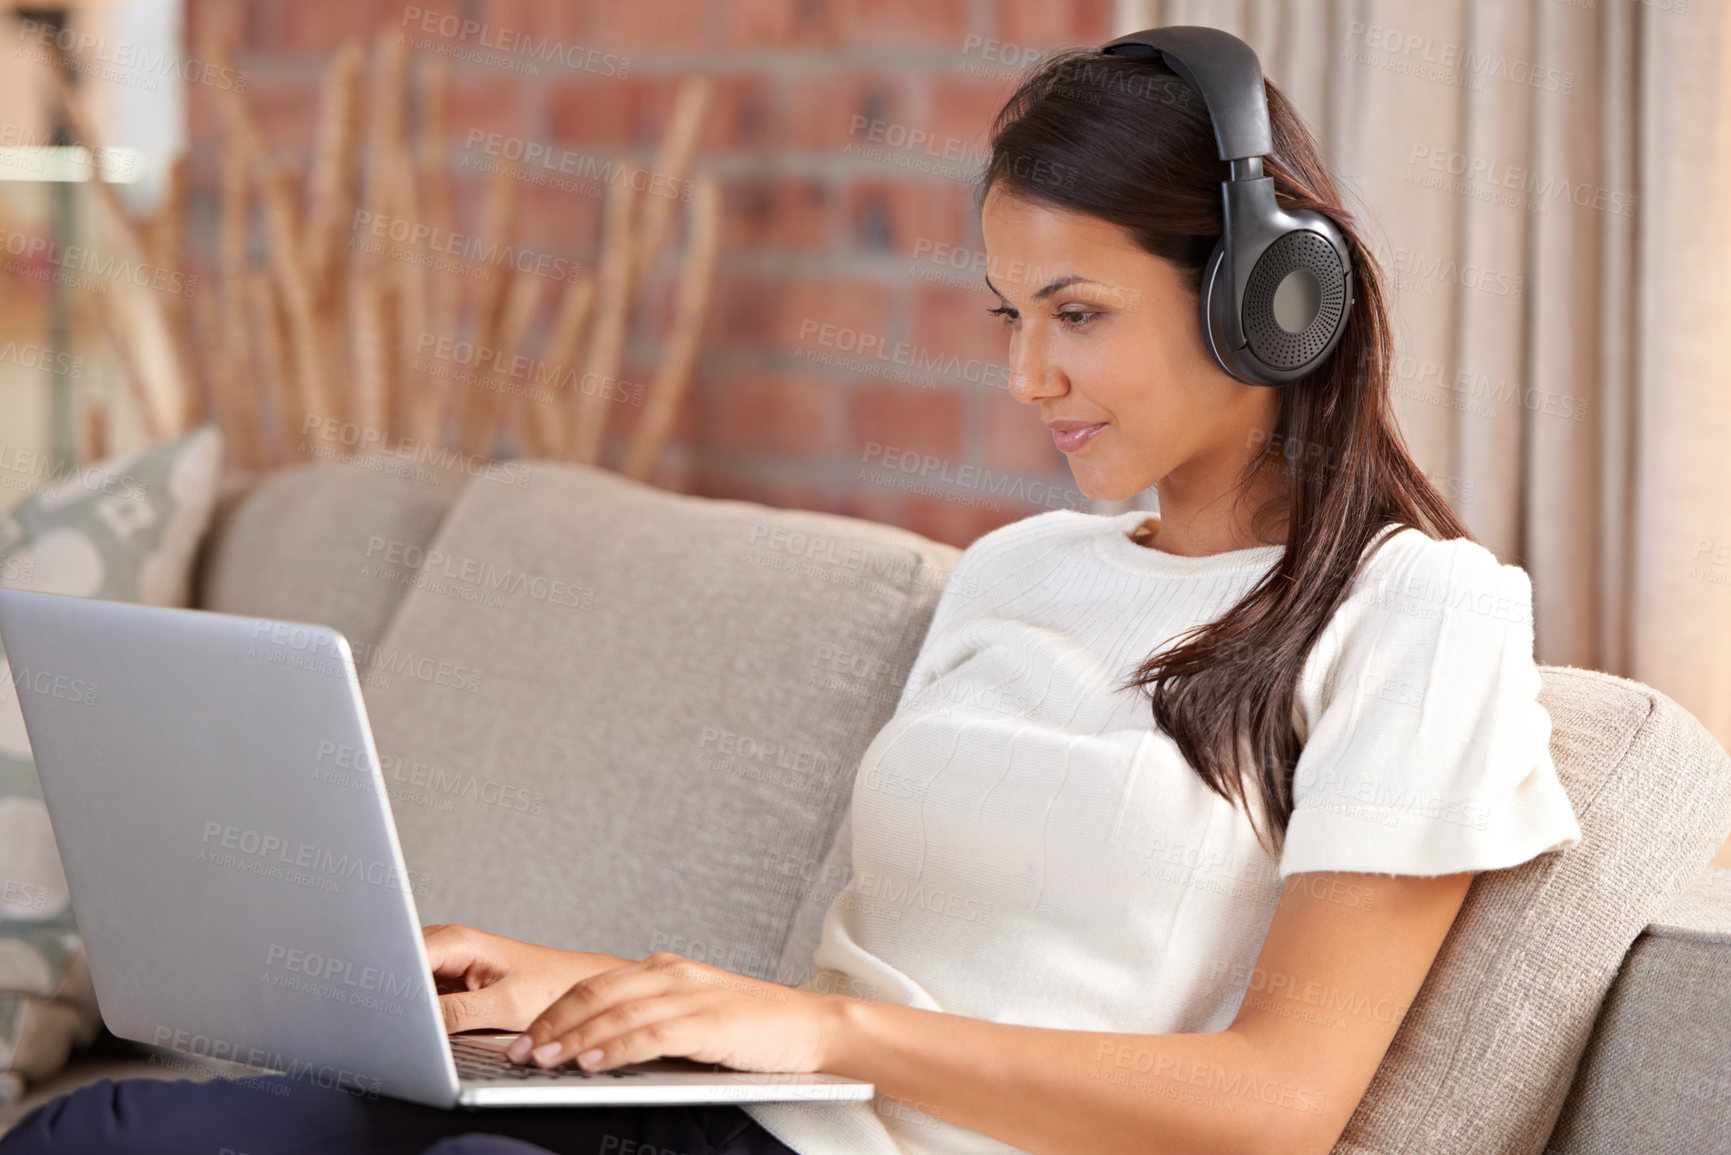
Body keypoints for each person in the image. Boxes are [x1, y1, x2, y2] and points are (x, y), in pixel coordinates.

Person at [0, 39, 1582, 1155]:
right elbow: (862, 966)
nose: (1029, 375)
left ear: (1268, 302)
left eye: (1078, 314)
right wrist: (581, 996)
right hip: (740, 1109)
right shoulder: (1024, 569)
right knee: (116, 1125)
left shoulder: (1420, 616)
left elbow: (1281, 1105)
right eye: (1008, 315)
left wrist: (828, 1037)